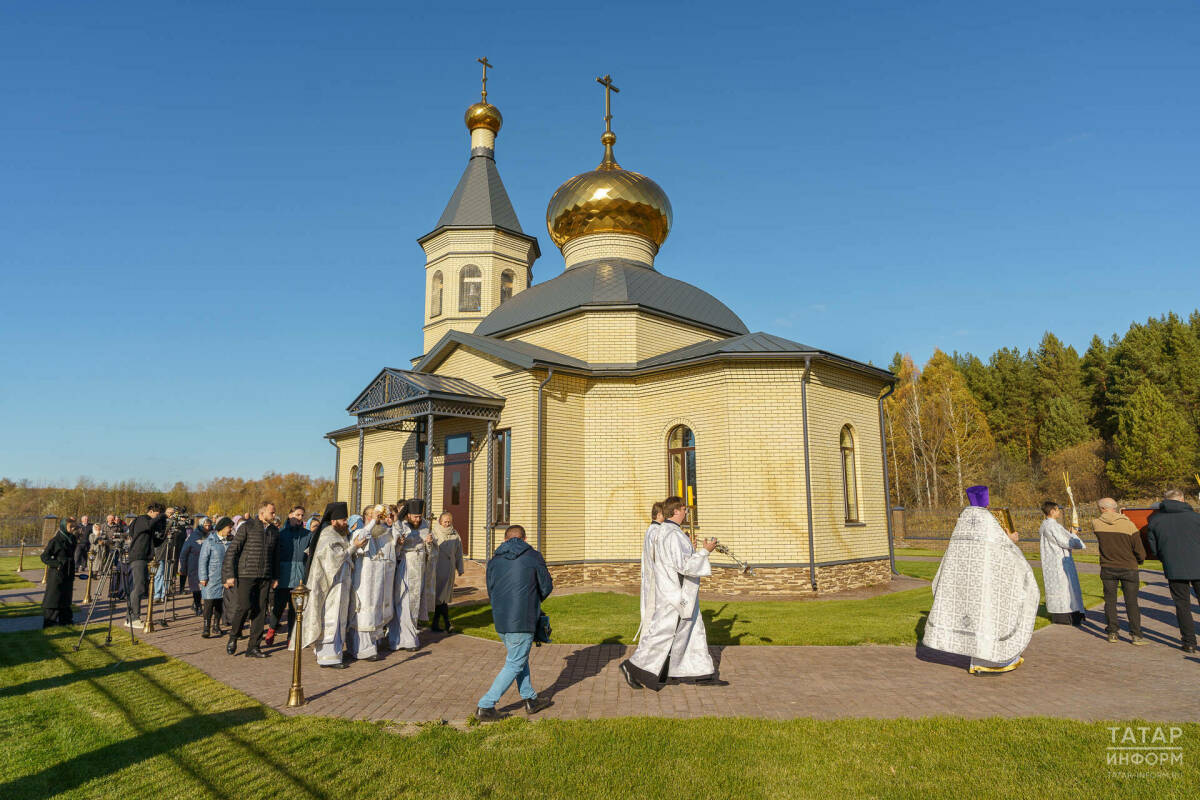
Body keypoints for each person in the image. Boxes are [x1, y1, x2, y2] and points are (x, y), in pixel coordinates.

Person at [923, 485, 1040, 675]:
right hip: (988, 583)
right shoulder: (988, 521)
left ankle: (975, 663)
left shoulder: (963, 520)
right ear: (986, 501)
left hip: (967, 584)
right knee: (988, 618)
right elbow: (1003, 552)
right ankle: (991, 662)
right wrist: (1011, 540)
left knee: (977, 619)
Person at [620, 497, 718, 690]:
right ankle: (632, 667)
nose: (686, 513)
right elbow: (684, 566)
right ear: (675, 511)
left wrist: (693, 549)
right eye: (684, 509)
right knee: (662, 633)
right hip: (674, 594)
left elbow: (678, 561)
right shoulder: (672, 534)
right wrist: (705, 552)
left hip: (675, 591)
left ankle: (698, 671)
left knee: (691, 630)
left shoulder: (668, 532)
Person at [475, 524, 553, 720]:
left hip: (501, 619)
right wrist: (533, 601)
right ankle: (485, 706)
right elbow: (546, 586)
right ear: (525, 539)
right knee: (515, 663)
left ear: (504, 540)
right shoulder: (533, 556)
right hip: (523, 618)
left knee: (519, 659)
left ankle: (530, 699)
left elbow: (490, 589)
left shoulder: (493, 560)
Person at [1146, 489, 1200, 653]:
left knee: (1182, 606)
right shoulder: (1196, 518)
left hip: (1173, 566)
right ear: (1182, 499)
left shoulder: (1155, 520)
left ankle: (1189, 642)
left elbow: (1153, 548)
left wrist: (1166, 557)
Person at [223, 501, 279, 658]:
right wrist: (229, 575)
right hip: (246, 574)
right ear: (262, 513)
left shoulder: (274, 531)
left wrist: (275, 576)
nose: (274, 516)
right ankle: (234, 636)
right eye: (272, 513)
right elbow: (232, 551)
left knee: (260, 611)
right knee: (244, 606)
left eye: (274, 513)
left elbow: (276, 556)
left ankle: (253, 647)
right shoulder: (247, 527)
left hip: (265, 576)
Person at [302, 502, 354, 669]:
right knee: (330, 619)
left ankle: (336, 653)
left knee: (339, 619)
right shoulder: (327, 536)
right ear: (333, 521)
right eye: (343, 519)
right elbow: (333, 559)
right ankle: (326, 656)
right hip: (329, 586)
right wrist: (353, 548)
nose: (346, 522)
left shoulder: (340, 535)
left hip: (341, 584)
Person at [1092, 498, 1146, 644]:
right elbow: (1138, 548)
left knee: (1110, 601)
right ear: (1115, 507)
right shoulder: (1128, 524)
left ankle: (1112, 632)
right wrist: (1140, 559)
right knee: (1131, 602)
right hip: (1129, 566)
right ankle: (1136, 634)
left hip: (1108, 566)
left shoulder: (1096, 524)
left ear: (1102, 509)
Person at [348, 505, 393, 661]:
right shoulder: (358, 533)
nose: (374, 519)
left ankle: (372, 645)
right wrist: (373, 521)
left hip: (379, 582)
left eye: (376, 517)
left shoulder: (384, 535)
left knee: (375, 613)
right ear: (364, 517)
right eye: (369, 516)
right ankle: (362, 649)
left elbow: (395, 551)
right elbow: (360, 538)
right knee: (363, 615)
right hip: (364, 583)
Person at [265, 505, 314, 647]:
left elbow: (310, 556)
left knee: (295, 608)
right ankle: (272, 629)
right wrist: (275, 576)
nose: (300, 518)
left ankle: (291, 637)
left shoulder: (307, 534)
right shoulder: (281, 533)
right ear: (290, 515)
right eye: (298, 515)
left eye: (302, 516)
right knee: (279, 607)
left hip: (299, 576)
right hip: (283, 574)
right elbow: (274, 556)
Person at [387, 499, 431, 652]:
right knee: (403, 602)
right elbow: (395, 548)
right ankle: (400, 639)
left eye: (420, 516)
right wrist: (400, 543)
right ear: (409, 515)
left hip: (419, 568)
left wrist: (430, 543)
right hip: (406, 566)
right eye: (415, 517)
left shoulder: (425, 524)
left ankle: (411, 636)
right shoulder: (400, 524)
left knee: (415, 602)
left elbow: (431, 550)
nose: (418, 519)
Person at [1038, 500, 1086, 626]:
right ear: (1052, 511)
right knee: (1065, 587)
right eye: (1057, 510)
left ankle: (1063, 614)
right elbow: (1066, 542)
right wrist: (1074, 535)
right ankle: (1068, 616)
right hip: (1059, 561)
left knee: (1059, 587)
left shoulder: (1045, 525)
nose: (1059, 512)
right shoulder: (1052, 526)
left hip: (1052, 561)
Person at [125, 502, 167, 629]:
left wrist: (165, 532)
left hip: (145, 557)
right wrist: (162, 516)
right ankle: (133, 617)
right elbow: (148, 526)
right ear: (152, 511)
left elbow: (156, 542)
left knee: (141, 588)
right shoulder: (142, 519)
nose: (159, 517)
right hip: (138, 556)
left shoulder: (150, 523)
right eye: (158, 514)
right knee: (139, 587)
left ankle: (131, 617)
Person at [632, 501, 666, 644]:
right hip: (655, 578)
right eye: (665, 514)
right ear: (659, 515)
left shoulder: (650, 530)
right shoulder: (656, 531)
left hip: (650, 576)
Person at [430, 511, 465, 633]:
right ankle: (446, 623)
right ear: (440, 521)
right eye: (445, 521)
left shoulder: (455, 534)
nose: (447, 523)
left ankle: (437, 623)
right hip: (438, 569)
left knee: (444, 597)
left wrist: (460, 567)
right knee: (440, 597)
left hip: (449, 569)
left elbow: (459, 552)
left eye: (449, 521)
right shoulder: (434, 533)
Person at [198, 517, 232, 638]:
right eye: (229, 527)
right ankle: (206, 627)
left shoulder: (230, 541)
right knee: (209, 603)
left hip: (224, 578)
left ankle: (216, 626)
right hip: (211, 578)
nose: (231, 530)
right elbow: (203, 560)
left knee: (219, 602)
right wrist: (203, 577)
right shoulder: (210, 541)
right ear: (222, 528)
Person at [40, 519, 78, 627]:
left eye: (73, 527)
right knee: (54, 597)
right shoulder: (55, 541)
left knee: (66, 596)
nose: (72, 529)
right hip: (57, 573)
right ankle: (50, 621)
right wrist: (57, 564)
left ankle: (65, 620)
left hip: (68, 571)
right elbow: (44, 557)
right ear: (63, 527)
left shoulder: (72, 538)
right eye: (70, 527)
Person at [179, 517, 211, 615]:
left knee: (206, 586)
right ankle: (198, 605)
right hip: (194, 565)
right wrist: (183, 568)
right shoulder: (193, 536)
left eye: (209, 525)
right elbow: (184, 553)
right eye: (205, 525)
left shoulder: (212, 535)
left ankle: (200, 604)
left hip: (208, 565)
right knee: (196, 588)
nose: (208, 527)